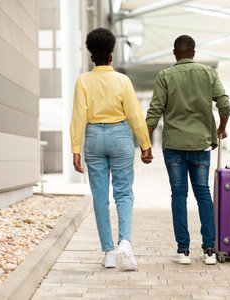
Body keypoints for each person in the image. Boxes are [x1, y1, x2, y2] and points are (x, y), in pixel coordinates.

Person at [70, 28, 153, 271]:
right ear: (112, 56)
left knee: (100, 196)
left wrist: (76, 147)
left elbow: (78, 116)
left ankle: (107, 252)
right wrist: (145, 145)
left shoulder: (83, 81)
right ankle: (124, 243)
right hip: (119, 135)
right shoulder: (122, 81)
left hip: (94, 136)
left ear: (92, 57)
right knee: (124, 193)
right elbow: (135, 115)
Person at [146, 35, 230, 265]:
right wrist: (221, 129)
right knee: (203, 193)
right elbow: (224, 104)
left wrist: (146, 145)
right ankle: (209, 250)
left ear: (175, 53)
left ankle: (183, 251)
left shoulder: (165, 76)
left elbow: (154, 111)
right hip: (201, 143)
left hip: (174, 145)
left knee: (178, 195)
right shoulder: (209, 73)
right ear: (194, 53)